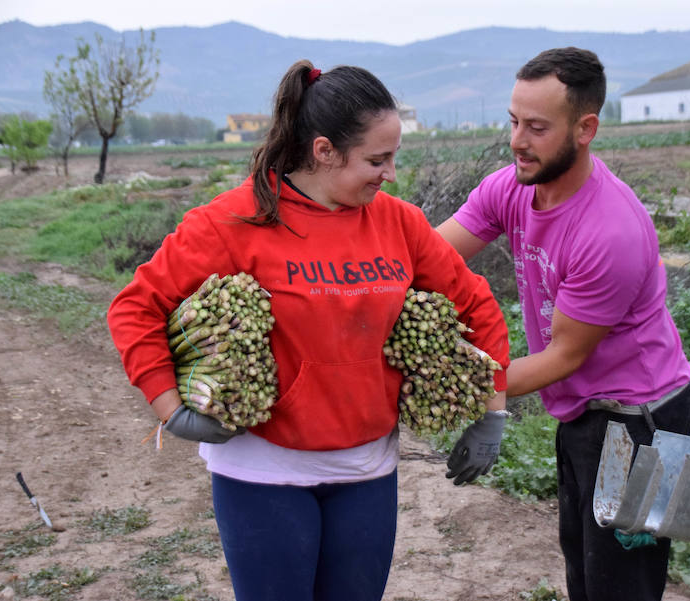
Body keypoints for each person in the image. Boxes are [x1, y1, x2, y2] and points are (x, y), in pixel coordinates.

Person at [107, 59, 510, 601]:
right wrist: (169, 409)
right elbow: (137, 307)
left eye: (393, 157)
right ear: (324, 151)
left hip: (367, 468)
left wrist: (492, 412)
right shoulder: (233, 221)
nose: (390, 173)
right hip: (263, 470)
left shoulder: (399, 223)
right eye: (376, 159)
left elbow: (476, 304)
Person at [436, 47, 690, 601]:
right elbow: (433, 258)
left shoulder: (610, 231)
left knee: (621, 585)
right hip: (583, 408)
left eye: (536, 127)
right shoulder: (513, 187)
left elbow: (562, 358)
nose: (517, 140)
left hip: (640, 419)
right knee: (582, 564)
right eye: (513, 121)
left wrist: (473, 394)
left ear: (585, 128)